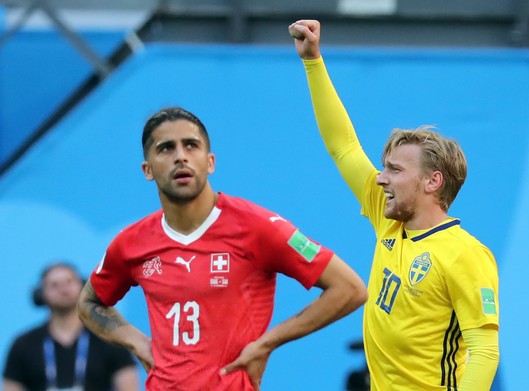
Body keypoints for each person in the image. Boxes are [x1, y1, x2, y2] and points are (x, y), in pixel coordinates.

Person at [77, 106, 368, 391]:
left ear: (210, 162)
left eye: (191, 145)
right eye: (166, 148)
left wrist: (268, 343)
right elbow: (89, 304)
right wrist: (138, 343)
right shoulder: (131, 242)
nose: (181, 157)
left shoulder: (258, 226)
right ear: (147, 169)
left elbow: (350, 289)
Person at [289, 19, 500, 391]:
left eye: (395, 170)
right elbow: (344, 148)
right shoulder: (389, 221)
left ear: (432, 182)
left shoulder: (466, 254)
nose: (380, 178)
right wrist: (312, 61)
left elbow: (484, 349)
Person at [2, 262, 139, 391]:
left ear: (83, 287)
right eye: (54, 285)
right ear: (41, 294)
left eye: (69, 281)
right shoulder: (23, 345)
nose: (63, 289)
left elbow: (129, 386)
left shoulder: (109, 339)